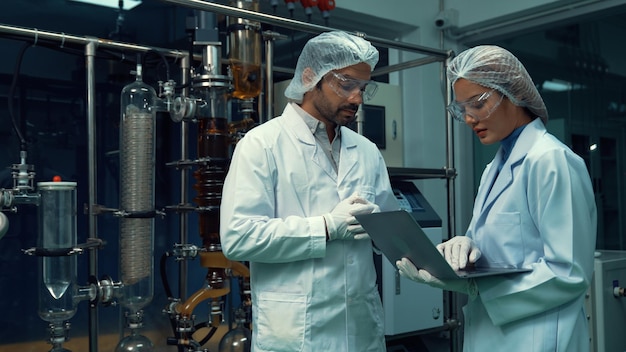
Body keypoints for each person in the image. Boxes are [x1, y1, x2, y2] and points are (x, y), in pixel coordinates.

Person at [396, 45, 597, 351]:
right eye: (461, 109)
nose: (468, 119)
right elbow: (505, 247)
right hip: (493, 333)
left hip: (538, 336)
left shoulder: (550, 160)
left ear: (512, 92)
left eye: (477, 103)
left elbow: (568, 273)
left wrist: (475, 286)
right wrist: (465, 250)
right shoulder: (495, 167)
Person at [220, 31, 399, 352]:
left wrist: (437, 257)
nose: (357, 98)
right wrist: (327, 227)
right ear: (309, 77)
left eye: (362, 88)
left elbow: (391, 228)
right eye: (346, 84)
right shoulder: (262, 145)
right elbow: (238, 237)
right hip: (296, 331)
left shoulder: (367, 150)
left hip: (360, 328)